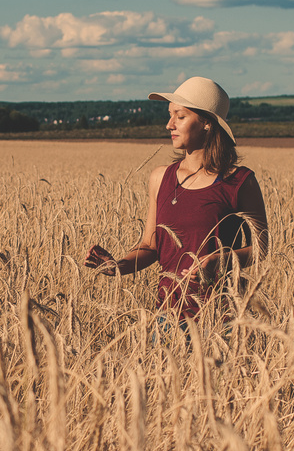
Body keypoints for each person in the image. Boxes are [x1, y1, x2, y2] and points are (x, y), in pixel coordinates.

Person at [85, 76, 268, 321]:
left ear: (206, 123)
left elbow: (261, 248)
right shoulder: (161, 178)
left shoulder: (240, 182)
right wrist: (118, 266)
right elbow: (150, 246)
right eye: (170, 115)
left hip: (221, 320)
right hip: (167, 316)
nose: (169, 125)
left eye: (180, 116)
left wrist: (218, 260)